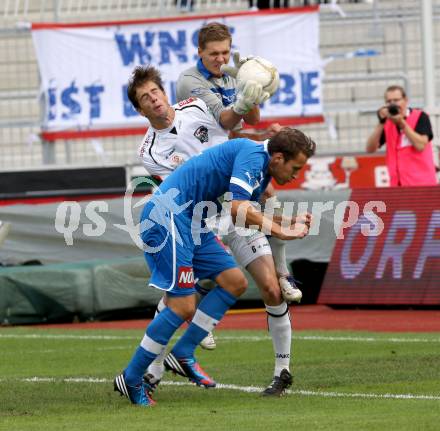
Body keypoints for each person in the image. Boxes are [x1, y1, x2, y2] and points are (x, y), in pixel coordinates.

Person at [127, 66, 311, 397]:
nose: (153, 99)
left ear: (165, 92)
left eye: (155, 92)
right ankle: (144, 374)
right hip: (191, 216)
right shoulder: (149, 151)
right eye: (145, 98)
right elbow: (193, 184)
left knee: (255, 285)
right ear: (140, 109)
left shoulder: (197, 107)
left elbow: (235, 123)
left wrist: (249, 102)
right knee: (180, 298)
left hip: (232, 204)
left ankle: (277, 370)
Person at [177, 21, 303, 304]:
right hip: (200, 169)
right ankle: (187, 311)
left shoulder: (228, 74)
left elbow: (251, 120)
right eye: (214, 54)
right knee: (206, 251)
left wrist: (249, 82)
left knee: (269, 192)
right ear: (199, 51)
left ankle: (283, 272)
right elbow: (225, 120)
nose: (221, 59)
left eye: (225, 52)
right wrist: (243, 103)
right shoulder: (190, 82)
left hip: (227, 158)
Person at [366, 85, 437, 187]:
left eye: (396, 100)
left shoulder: (420, 116)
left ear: (406, 100)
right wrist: (381, 123)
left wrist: (402, 124)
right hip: (397, 185)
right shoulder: (387, 123)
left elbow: (420, 145)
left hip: (422, 183)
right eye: (389, 102)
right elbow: (370, 149)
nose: (392, 104)